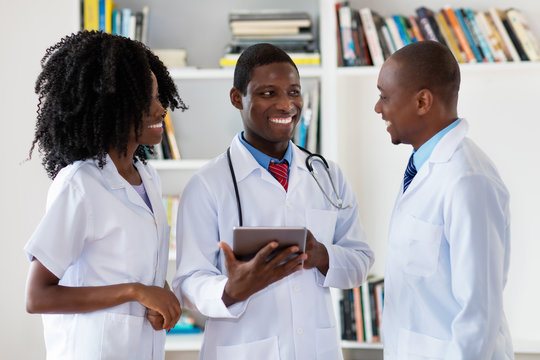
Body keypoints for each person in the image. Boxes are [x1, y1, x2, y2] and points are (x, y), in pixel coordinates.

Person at [172, 43, 374, 360]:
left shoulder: (326, 175)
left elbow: (360, 261)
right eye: (268, 93)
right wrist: (231, 289)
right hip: (244, 349)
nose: (286, 105)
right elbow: (187, 282)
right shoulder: (206, 185)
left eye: (293, 92)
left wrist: (323, 255)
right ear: (237, 98)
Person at [24, 30, 187, 360]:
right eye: (148, 100)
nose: (161, 110)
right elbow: (38, 296)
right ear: (112, 106)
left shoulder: (149, 178)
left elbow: (134, 271)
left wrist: (159, 297)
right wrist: (136, 292)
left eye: (159, 97)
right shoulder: (80, 184)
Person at [375, 40, 513, 359]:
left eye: (384, 97)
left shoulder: (468, 180)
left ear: (423, 101)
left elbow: (479, 312)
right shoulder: (423, 167)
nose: (378, 108)